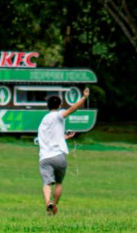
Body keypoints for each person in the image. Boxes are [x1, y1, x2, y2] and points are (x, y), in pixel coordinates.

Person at [37, 87, 90, 216]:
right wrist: (84, 97)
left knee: (47, 183)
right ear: (60, 105)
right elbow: (72, 109)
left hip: (44, 158)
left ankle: (47, 202)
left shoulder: (43, 121)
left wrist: (64, 137)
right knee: (59, 183)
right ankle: (54, 204)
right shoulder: (58, 115)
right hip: (59, 156)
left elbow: (47, 138)